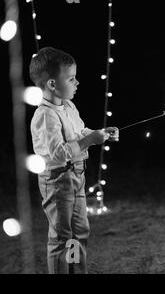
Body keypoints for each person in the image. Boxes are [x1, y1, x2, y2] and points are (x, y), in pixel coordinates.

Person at [30, 47, 119, 273]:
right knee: (62, 235)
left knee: (80, 231)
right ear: (52, 84)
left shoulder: (69, 106)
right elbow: (58, 153)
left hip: (76, 176)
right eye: (71, 78)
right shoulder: (45, 116)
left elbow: (79, 133)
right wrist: (89, 140)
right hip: (57, 182)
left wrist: (99, 133)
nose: (77, 82)